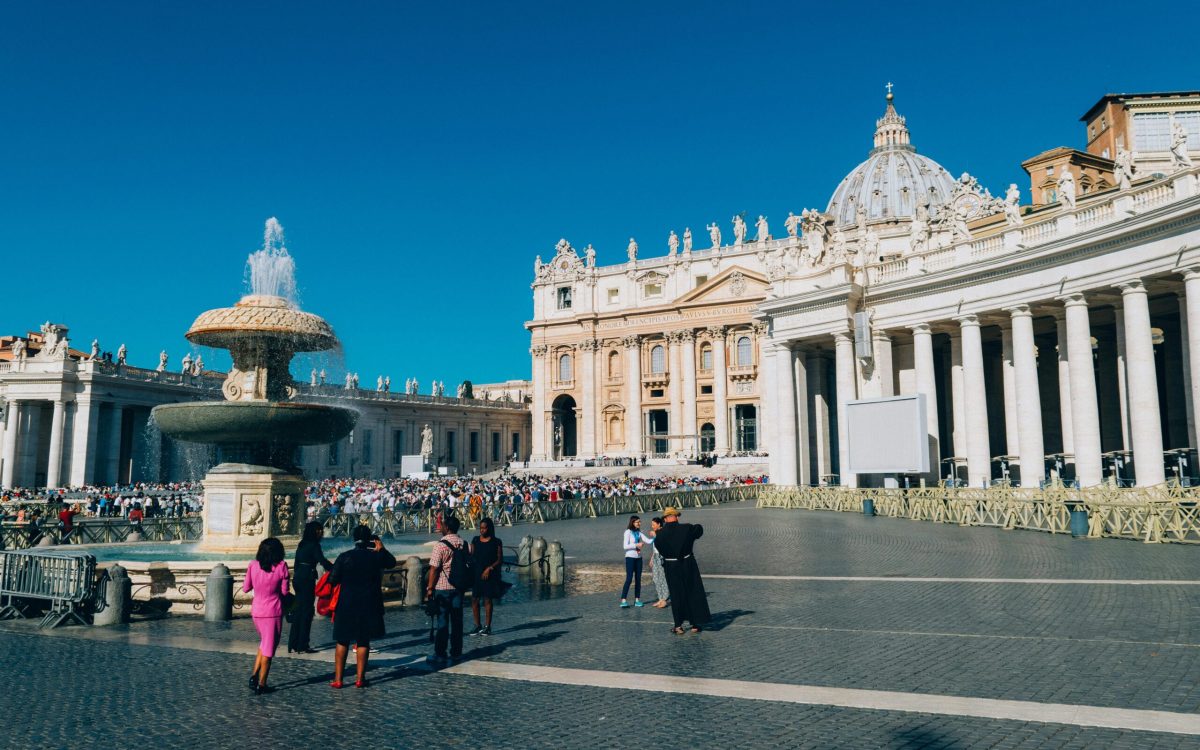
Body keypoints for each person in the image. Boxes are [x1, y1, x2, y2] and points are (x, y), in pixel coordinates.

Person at [328, 525, 397, 688]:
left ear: (354, 539)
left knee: (342, 641)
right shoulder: (376, 557)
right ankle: (360, 679)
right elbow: (392, 563)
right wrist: (382, 548)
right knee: (363, 641)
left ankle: (338, 679)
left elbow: (332, 579)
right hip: (369, 603)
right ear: (371, 540)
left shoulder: (344, 556)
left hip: (346, 604)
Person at [242, 537, 290, 694]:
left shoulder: (253, 565)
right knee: (269, 650)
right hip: (273, 612)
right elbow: (284, 592)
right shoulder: (282, 566)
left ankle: (254, 676)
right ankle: (262, 684)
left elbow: (246, 588)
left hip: (257, 611)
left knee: (264, 644)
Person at [653, 506, 710, 634]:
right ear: (677, 516)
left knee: (676, 595)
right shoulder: (687, 528)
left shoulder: (660, 534)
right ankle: (695, 624)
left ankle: (678, 626)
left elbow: (659, 549)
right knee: (692, 591)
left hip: (671, 566)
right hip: (687, 564)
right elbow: (699, 530)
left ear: (665, 519)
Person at [427, 514, 466, 665]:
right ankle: (456, 652)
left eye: (442, 525)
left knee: (442, 622)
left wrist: (430, 588)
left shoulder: (440, 545)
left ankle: (440, 653)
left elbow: (434, 569)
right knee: (457, 622)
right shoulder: (463, 543)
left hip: (442, 588)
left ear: (447, 528)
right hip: (459, 587)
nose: (441, 527)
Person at [288, 521, 333, 654]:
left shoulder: (302, 544)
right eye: (318, 530)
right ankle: (303, 644)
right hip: (307, 578)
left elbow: (296, 563)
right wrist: (336, 568)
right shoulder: (315, 545)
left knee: (298, 610)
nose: (320, 532)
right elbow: (322, 561)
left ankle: (293, 642)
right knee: (307, 611)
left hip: (298, 577)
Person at [469, 517, 504, 636]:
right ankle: (477, 625)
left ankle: (487, 626)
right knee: (474, 599)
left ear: (489, 528)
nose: (482, 530)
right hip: (476, 573)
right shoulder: (475, 540)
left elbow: (499, 559)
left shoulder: (496, 542)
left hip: (489, 574)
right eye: (481, 528)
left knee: (487, 600)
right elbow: (472, 556)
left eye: (484, 528)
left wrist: (490, 568)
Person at [620, 515, 653, 608]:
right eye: (637, 522)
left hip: (639, 558)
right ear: (632, 522)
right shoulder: (628, 532)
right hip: (630, 558)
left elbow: (648, 541)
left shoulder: (639, 532)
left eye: (640, 521)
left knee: (638, 579)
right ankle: (623, 600)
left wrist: (658, 536)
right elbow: (625, 546)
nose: (639, 523)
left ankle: (637, 600)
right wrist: (636, 545)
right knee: (629, 579)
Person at [647, 517, 670, 608]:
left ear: (659, 524)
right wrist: (652, 558)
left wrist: (656, 535)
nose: (652, 526)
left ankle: (664, 599)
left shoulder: (663, 533)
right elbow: (655, 547)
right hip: (656, 556)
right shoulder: (656, 533)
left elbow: (663, 543)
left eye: (653, 524)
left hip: (662, 557)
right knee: (656, 578)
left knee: (663, 578)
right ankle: (660, 598)